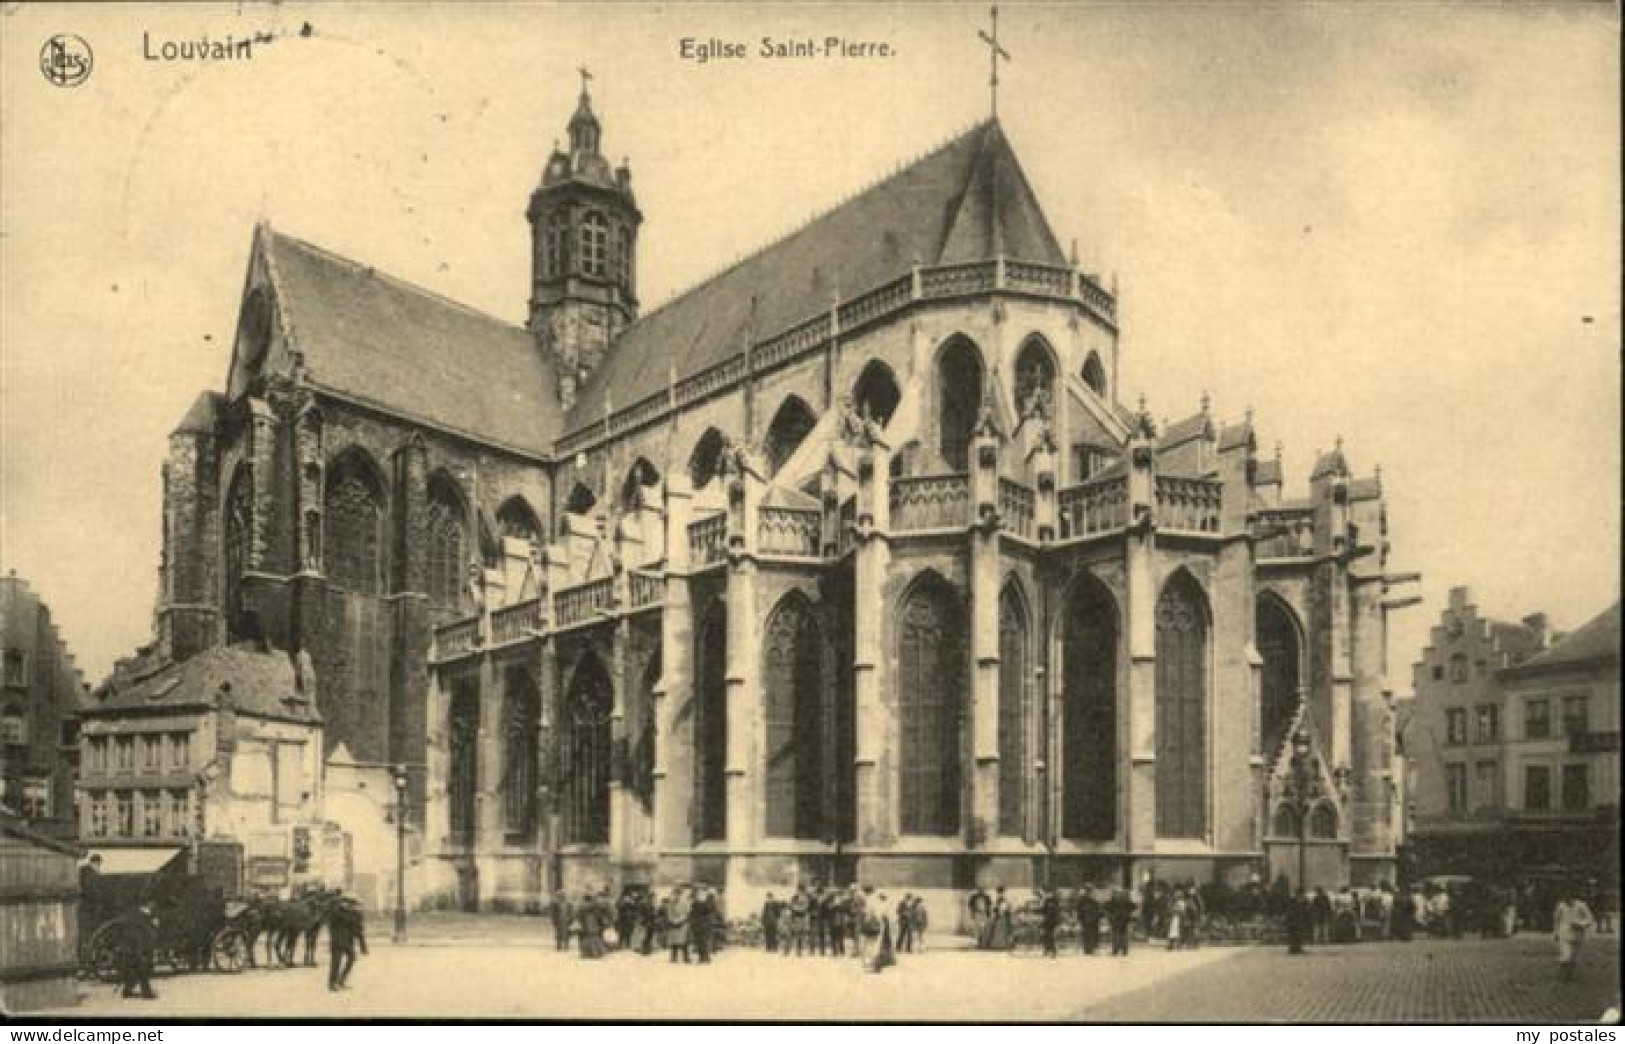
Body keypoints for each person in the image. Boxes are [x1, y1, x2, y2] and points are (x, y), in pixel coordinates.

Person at [112, 903, 159, 1000]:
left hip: (131, 946)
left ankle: (127, 990)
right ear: (148, 905)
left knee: (134, 970)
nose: (153, 907)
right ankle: (146, 993)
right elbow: (148, 931)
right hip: (140, 946)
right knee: (143, 969)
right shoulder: (145, 917)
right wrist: (154, 926)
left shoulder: (134, 913)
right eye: (151, 905)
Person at [327, 893, 367, 991]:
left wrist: (363, 946)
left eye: (352, 903)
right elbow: (332, 923)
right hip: (338, 941)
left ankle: (341, 980)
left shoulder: (354, 914)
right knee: (336, 962)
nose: (349, 904)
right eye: (347, 902)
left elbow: (358, 930)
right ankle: (332, 983)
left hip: (348, 941)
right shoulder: (336, 912)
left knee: (352, 958)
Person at [1553, 890, 1595, 982]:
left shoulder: (1581, 905)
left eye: (1568, 897)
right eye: (1565, 897)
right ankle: (1562, 977)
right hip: (1564, 934)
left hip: (1577, 935)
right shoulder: (1561, 906)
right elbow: (1556, 919)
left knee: (1573, 958)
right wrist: (1555, 932)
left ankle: (1569, 976)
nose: (1566, 900)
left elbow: (1590, 919)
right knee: (1566, 956)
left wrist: (1580, 924)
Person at [1106, 888, 1134, 956]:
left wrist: (1111, 915)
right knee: (1121, 935)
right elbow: (1133, 906)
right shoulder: (1124, 901)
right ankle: (1122, 950)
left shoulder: (1114, 901)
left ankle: (1117, 950)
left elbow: (1106, 907)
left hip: (1118, 920)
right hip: (1122, 920)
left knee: (1117, 935)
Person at [667, 887, 692, 963]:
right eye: (674, 894)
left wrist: (680, 920)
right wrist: (672, 920)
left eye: (677, 894)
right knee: (674, 941)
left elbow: (688, 913)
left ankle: (686, 958)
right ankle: (673, 957)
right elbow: (669, 913)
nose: (676, 895)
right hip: (673, 924)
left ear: (680, 894)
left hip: (682, 924)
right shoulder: (671, 903)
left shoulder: (685, 902)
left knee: (684, 941)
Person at [692, 886, 717, 964]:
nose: (701, 892)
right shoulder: (696, 902)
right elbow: (693, 912)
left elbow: (710, 910)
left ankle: (706, 957)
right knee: (698, 941)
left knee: (705, 941)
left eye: (703, 890)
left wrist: (702, 902)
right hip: (697, 924)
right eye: (700, 890)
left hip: (706, 924)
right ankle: (701, 957)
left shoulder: (709, 900)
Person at [1077, 885, 1102, 955]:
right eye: (1088, 891)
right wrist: (1080, 918)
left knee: (1092, 934)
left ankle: (1091, 948)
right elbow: (1079, 910)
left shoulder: (1094, 900)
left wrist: (1097, 917)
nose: (1089, 893)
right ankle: (1088, 949)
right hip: (1086, 920)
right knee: (1087, 934)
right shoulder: (1082, 900)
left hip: (1092, 920)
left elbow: (1099, 910)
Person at [1286, 889, 1309, 955]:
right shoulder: (1293, 902)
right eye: (1300, 894)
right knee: (1294, 935)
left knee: (1299, 935)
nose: (1302, 896)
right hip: (1294, 921)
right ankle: (1293, 948)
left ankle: (1298, 948)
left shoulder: (1303, 902)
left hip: (1300, 921)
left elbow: (1305, 912)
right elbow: (1290, 912)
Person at [1040, 888, 1060, 958]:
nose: (1048, 895)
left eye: (1049, 893)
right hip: (1047, 920)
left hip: (1052, 921)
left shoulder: (1054, 901)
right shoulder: (1047, 901)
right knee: (1046, 935)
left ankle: (1052, 950)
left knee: (1050, 936)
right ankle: (1047, 949)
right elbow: (1043, 910)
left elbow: (1055, 911)